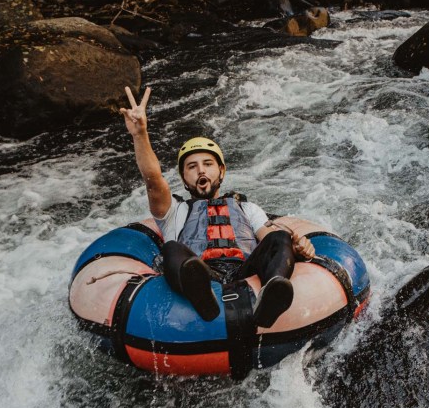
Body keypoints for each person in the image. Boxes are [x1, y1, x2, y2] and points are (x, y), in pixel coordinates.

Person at [120, 86, 316, 327]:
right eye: (192, 167)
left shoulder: (247, 208)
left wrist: (296, 246)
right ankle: (201, 296)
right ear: (184, 178)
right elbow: (153, 179)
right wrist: (140, 134)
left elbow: (270, 240)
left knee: (279, 237)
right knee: (171, 248)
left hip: (244, 270)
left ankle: (271, 294)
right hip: (201, 272)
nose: (201, 170)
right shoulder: (173, 212)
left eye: (207, 164)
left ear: (221, 171)